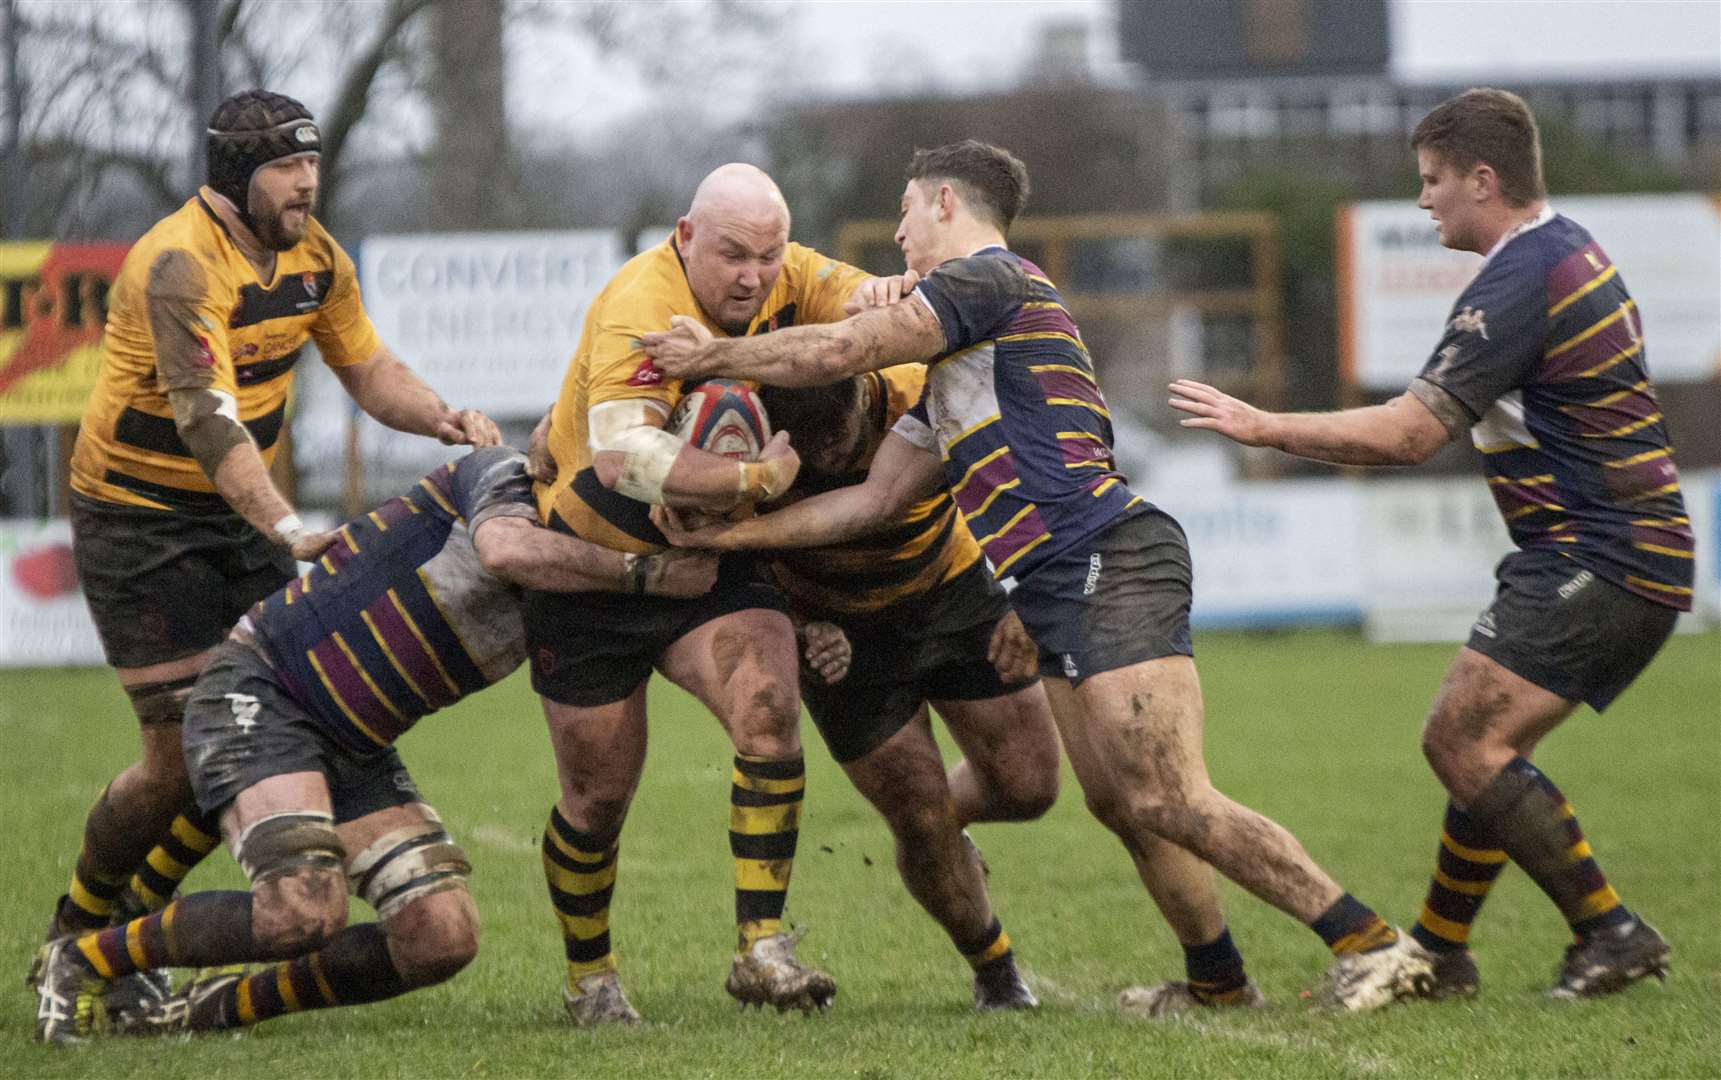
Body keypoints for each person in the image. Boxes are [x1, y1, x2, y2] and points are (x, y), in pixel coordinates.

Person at [643, 140, 1433, 1012]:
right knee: (1124, 805)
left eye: (904, 211)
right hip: (1053, 578)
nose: (897, 236)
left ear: (943, 201)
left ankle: (1372, 943)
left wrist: (711, 358)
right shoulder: (953, 375)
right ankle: (1217, 983)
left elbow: (838, 351)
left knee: (1168, 793)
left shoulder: (989, 279)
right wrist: (734, 539)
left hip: (1106, 552)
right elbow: (868, 504)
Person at [1167, 88, 1687, 1000]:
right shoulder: (1566, 253)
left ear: (1482, 180)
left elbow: (1408, 434)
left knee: (1462, 741)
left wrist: (1261, 427)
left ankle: (1611, 930)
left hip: (1600, 553)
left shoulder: (1523, 277)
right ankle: (1443, 954)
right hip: (1610, 550)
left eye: (1432, 181)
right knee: (1479, 751)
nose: (1422, 202)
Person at [37, 88, 501, 990]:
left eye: (313, 163)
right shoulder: (179, 265)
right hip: (139, 523)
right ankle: (82, 924)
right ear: (236, 174)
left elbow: (366, 366)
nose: (308, 184)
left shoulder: (313, 257)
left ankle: (135, 921)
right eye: (288, 167)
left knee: (280, 715)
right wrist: (287, 527)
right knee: (176, 762)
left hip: (241, 520)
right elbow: (208, 422)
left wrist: (442, 418)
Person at [31, 447, 720, 1044]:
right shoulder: (501, 478)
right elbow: (505, 551)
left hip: (353, 745)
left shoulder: (596, 568)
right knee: (301, 909)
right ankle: (84, 957)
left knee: (440, 938)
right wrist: (644, 576)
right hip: (265, 689)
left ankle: (202, 1010)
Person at [525, 163, 914, 1023]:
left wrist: (889, 292)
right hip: (593, 569)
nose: (753, 276)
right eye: (733, 255)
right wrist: (757, 476)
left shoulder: (790, 270)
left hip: (712, 565)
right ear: (685, 234)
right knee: (596, 797)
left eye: (768, 258)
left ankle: (761, 949)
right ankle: (590, 977)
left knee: (770, 709)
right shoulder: (640, 301)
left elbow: (865, 308)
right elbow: (626, 460)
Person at [654, 366, 1063, 1010]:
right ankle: (995, 968)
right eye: (809, 458)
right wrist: (802, 626)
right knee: (919, 815)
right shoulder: (738, 434)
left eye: (841, 449)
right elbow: (722, 569)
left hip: (950, 592)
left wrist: (1031, 591)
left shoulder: (914, 389)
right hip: (840, 638)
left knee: (1030, 787)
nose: (827, 464)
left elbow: (1018, 473)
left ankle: (934, 837)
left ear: (861, 396)